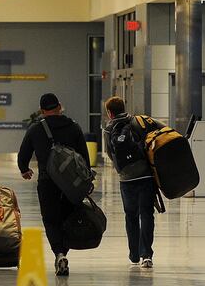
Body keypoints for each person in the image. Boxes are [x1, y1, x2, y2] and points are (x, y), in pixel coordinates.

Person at [17, 93, 89, 277]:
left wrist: (24, 169)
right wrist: (87, 181)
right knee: (67, 219)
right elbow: (85, 157)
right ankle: (63, 252)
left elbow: (23, 155)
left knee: (50, 220)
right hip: (71, 185)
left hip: (48, 182)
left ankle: (59, 253)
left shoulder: (36, 128)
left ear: (42, 111)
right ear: (59, 107)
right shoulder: (73, 127)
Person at [103, 96, 163, 269]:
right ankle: (147, 255)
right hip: (145, 176)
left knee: (131, 216)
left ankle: (134, 254)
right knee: (146, 214)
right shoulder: (137, 121)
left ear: (109, 112)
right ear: (124, 107)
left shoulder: (109, 128)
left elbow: (110, 153)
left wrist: (122, 170)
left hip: (127, 179)